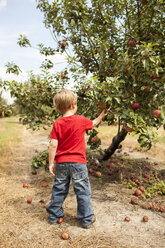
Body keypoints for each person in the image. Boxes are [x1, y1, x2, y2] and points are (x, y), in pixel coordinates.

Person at [46, 89, 107, 229]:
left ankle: (54, 216)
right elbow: (94, 123)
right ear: (74, 105)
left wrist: (51, 163)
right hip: (78, 163)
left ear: (59, 108)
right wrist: (102, 115)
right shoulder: (80, 120)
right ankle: (86, 219)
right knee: (82, 191)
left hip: (61, 163)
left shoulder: (57, 123)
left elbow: (53, 144)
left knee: (59, 190)